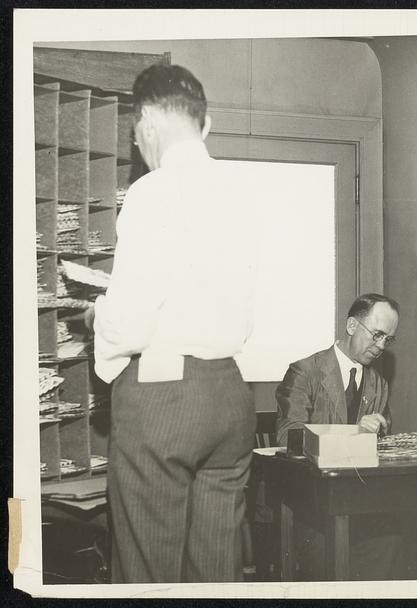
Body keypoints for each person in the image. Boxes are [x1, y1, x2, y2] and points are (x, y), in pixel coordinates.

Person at [90, 64, 260, 583]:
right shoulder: (241, 191)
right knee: (215, 574)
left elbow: (133, 321)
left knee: (147, 573)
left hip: (164, 396)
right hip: (230, 396)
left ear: (145, 124)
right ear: (204, 126)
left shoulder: (152, 191)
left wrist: (102, 316)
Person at [275, 293, 401, 579]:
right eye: (377, 335)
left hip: (355, 501)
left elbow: (382, 446)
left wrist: (378, 435)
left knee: (390, 537)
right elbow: (288, 437)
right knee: (328, 552)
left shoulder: (378, 384)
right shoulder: (305, 371)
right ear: (352, 326)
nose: (381, 346)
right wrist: (356, 433)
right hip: (306, 506)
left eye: (388, 340)